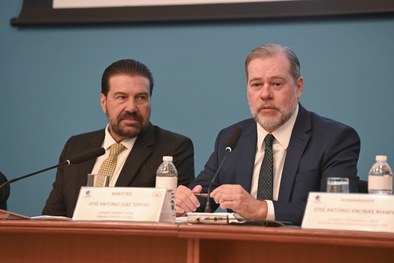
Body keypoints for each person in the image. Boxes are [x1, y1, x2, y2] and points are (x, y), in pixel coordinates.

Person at [176, 43, 360, 225]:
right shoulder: (232, 137)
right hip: (236, 249)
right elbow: (200, 196)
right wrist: (181, 202)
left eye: (277, 84)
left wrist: (261, 209)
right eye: (256, 84)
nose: (265, 94)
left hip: (302, 251)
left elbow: (336, 211)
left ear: (299, 87)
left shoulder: (334, 139)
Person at [43, 59, 195, 217]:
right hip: (74, 241)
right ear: (104, 102)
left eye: (141, 98)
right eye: (121, 97)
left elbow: (177, 215)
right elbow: (52, 216)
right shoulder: (76, 147)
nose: (131, 108)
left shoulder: (174, 147)